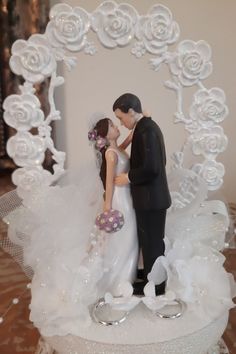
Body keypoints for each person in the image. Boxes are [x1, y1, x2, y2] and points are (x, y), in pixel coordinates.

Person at [113, 93, 171, 295]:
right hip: (148, 198)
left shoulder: (147, 131)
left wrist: (128, 177)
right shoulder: (143, 128)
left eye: (121, 118)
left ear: (131, 112)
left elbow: (153, 168)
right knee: (148, 242)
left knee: (153, 243)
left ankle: (157, 286)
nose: (120, 123)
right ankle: (150, 280)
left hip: (152, 199)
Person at [88, 117, 138, 295]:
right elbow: (109, 182)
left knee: (130, 236)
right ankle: (118, 280)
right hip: (119, 198)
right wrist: (107, 206)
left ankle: (127, 277)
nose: (117, 127)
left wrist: (131, 137)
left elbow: (121, 153)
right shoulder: (110, 153)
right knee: (124, 236)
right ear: (105, 134)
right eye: (112, 126)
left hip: (127, 195)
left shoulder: (116, 150)